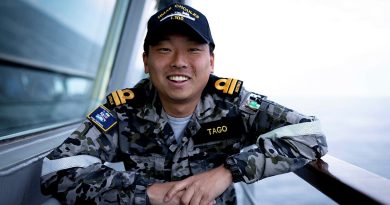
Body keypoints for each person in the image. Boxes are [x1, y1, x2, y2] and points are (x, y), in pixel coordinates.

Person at [40, 3, 328, 205]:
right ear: (146, 61)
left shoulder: (234, 103)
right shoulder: (122, 110)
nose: (179, 61)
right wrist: (150, 193)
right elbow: (56, 170)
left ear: (211, 61)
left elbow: (311, 133)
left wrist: (227, 172)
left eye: (193, 50)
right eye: (165, 49)